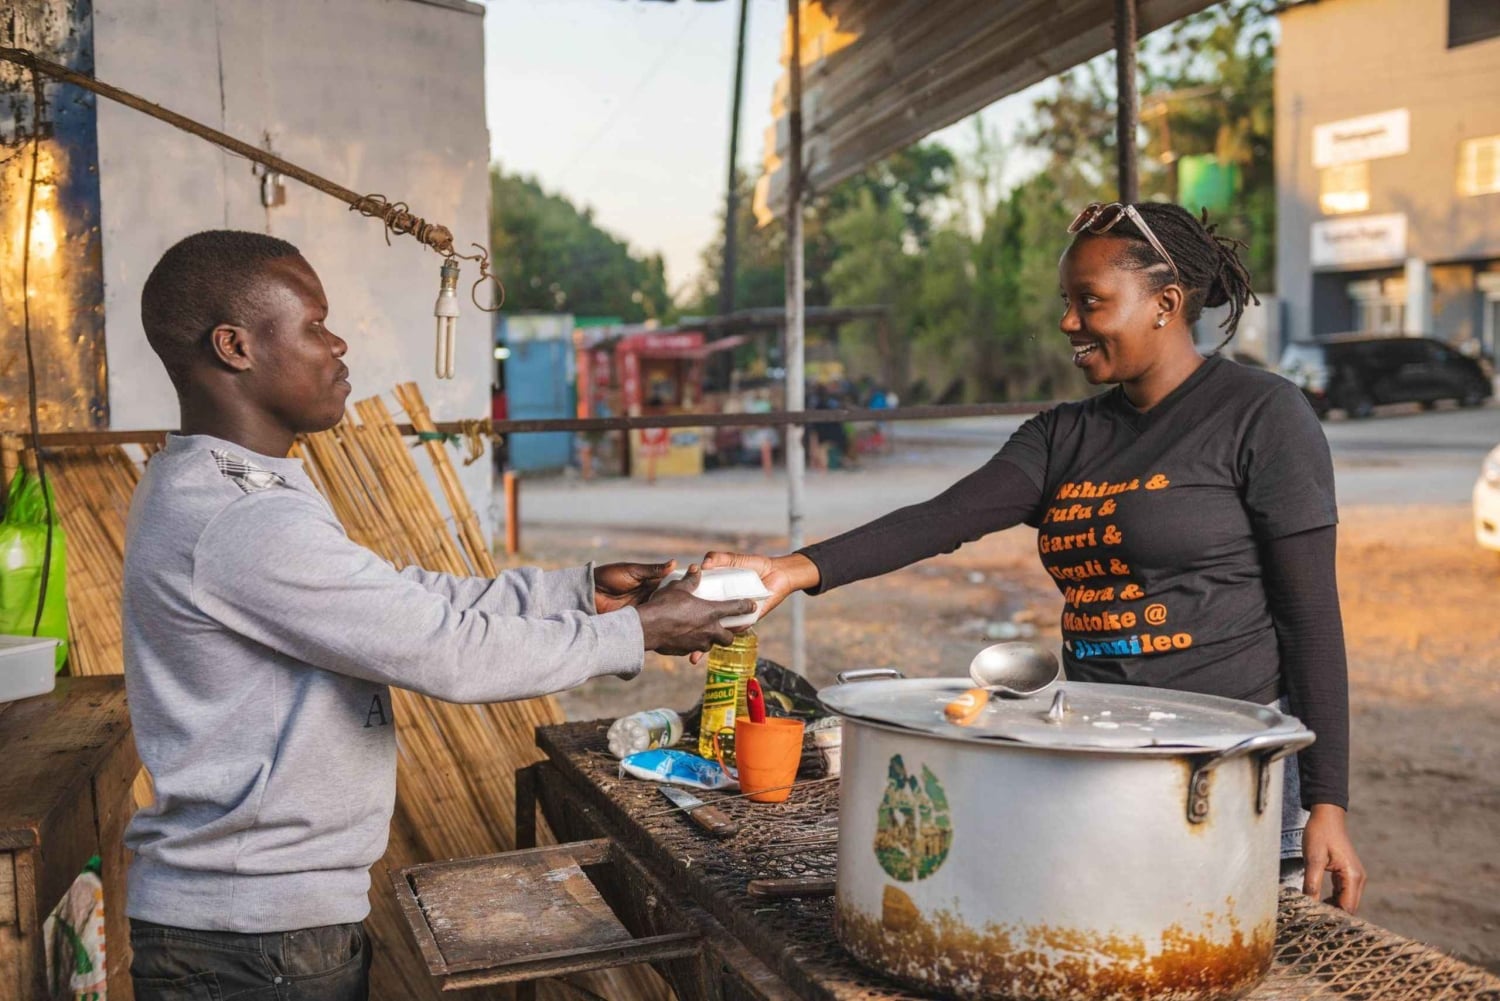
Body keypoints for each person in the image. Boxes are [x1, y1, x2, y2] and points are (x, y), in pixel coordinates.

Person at [122, 230, 752, 1001]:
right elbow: (447, 650)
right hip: (252, 940)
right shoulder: (241, 520)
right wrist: (640, 631)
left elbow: (403, 598)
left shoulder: (234, 487)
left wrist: (579, 591)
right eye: (315, 324)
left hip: (255, 925)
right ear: (236, 346)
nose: (339, 343)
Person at [704, 201, 1366, 912]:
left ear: (1165, 304)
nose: (1068, 323)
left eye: (1091, 302)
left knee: (1217, 963)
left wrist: (1330, 800)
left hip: (1229, 770)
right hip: (1092, 750)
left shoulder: (1262, 414)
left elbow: (1311, 620)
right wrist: (793, 569)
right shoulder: (1063, 435)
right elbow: (945, 517)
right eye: (1066, 302)